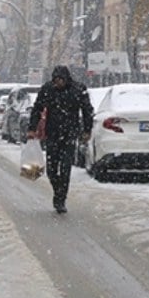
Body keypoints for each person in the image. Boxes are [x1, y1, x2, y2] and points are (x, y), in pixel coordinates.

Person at [27, 65, 94, 214]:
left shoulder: (77, 89)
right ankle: (57, 189)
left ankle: (60, 199)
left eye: (60, 80)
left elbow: (87, 110)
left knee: (65, 168)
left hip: (70, 134)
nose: (58, 83)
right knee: (51, 169)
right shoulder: (48, 89)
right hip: (52, 134)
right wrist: (32, 128)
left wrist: (87, 130)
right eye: (55, 80)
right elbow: (37, 108)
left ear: (66, 79)